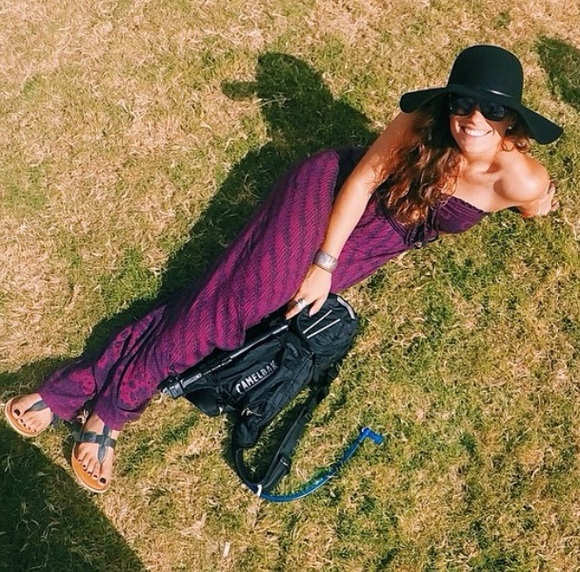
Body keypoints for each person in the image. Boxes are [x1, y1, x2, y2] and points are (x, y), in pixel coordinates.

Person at [4, 44, 562, 493]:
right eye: (463, 103)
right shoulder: (422, 124)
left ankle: (74, 387)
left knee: (218, 299)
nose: (473, 119)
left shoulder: (520, 179)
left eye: (492, 110)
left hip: (372, 245)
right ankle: (111, 411)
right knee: (232, 308)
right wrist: (322, 264)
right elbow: (360, 182)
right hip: (327, 197)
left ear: (513, 120)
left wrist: (536, 206)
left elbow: (537, 200)